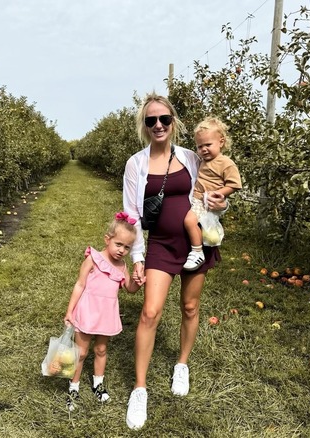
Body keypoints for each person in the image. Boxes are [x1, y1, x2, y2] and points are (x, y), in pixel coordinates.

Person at [122, 93, 228, 430]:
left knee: (190, 307)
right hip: (162, 246)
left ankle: (181, 363)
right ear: (144, 125)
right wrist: (137, 257)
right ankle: (140, 389)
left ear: (173, 123)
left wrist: (218, 204)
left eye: (164, 119)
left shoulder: (191, 158)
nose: (158, 125)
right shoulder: (135, 164)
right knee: (150, 311)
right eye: (151, 120)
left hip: (196, 241)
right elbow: (133, 216)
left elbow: (214, 197)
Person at [62, 212, 142, 411]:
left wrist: (139, 283)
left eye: (127, 247)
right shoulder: (93, 259)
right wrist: (70, 311)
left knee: (101, 350)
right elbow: (80, 285)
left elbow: (130, 289)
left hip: (106, 314)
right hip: (88, 311)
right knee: (80, 352)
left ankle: (98, 384)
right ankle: (74, 387)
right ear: (107, 239)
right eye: (118, 244)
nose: (122, 251)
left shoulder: (122, 266)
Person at [182, 116, 242, 271]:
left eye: (208, 144)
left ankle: (197, 252)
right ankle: (206, 241)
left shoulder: (226, 163)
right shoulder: (202, 161)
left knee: (189, 221)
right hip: (197, 199)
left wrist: (219, 193)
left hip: (205, 201)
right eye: (200, 146)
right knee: (202, 225)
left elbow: (235, 184)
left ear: (221, 142)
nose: (203, 149)